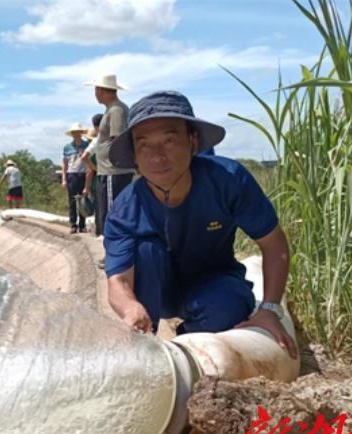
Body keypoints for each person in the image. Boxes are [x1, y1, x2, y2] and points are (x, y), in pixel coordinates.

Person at [103, 90, 296, 358]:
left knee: (230, 305)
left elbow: (274, 244)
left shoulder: (227, 181)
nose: (157, 155)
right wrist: (130, 307)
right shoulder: (125, 210)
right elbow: (119, 281)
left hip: (214, 283)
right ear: (134, 155)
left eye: (169, 140)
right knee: (146, 247)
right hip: (158, 292)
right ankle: (146, 342)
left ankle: (184, 346)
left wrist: (270, 309)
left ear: (193, 142)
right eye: (144, 144)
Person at [83, 75, 135, 247]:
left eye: (96, 90)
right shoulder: (111, 110)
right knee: (107, 210)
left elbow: (117, 140)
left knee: (113, 212)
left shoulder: (117, 111)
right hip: (108, 170)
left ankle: (115, 250)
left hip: (114, 171)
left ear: (102, 91)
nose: (95, 94)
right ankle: (113, 249)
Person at [61, 122, 90, 233]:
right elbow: (64, 163)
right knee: (72, 201)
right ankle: (73, 224)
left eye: (78, 132)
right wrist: (64, 179)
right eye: (74, 132)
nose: (76, 134)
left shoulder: (86, 145)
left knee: (83, 200)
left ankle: (82, 225)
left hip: (84, 174)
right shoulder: (67, 147)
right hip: (72, 174)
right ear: (72, 134)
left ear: (81, 133)